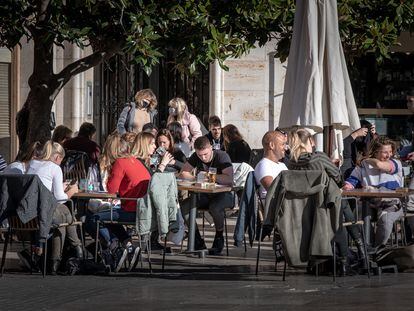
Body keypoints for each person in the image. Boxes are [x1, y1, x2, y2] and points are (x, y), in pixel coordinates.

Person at [288, 128, 365, 275]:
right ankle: (355, 254)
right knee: (340, 210)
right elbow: (337, 177)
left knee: (340, 205)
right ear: (310, 141)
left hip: (302, 209)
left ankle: (356, 251)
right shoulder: (318, 157)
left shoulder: (291, 163)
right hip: (324, 205)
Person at [86, 134, 151, 272]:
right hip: (143, 211)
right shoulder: (135, 160)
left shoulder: (120, 163)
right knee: (109, 218)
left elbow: (111, 190)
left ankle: (114, 247)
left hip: (132, 210)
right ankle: (129, 246)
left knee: (92, 219)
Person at [26, 141, 82, 274]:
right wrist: (72, 191)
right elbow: (60, 199)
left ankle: (59, 259)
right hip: (44, 214)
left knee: (62, 219)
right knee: (65, 214)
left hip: (28, 213)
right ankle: (75, 248)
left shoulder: (32, 164)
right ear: (58, 157)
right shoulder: (54, 168)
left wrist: (59, 188)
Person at [343, 136, 403, 250]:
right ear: (375, 152)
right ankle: (367, 248)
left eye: (390, 151)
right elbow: (352, 181)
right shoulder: (363, 166)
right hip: (369, 203)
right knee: (357, 217)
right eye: (385, 152)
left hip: (391, 204)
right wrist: (347, 186)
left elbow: (380, 166)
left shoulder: (395, 163)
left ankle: (377, 250)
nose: (389, 155)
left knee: (385, 221)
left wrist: (366, 159)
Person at [179, 136, 234, 254]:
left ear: (211, 148)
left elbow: (229, 179)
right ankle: (197, 241)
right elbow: (183, 173)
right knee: (184, 206)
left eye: (206, 154)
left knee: (215, 207)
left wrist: (209, 177)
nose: (203, 158)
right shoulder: (196, 157)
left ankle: (219, 235)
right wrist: (196, 177)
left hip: (224, 195)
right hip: (204, 195)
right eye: (200, 155)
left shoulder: (221, 156)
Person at [254, 130, 288, 199]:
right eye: (282, 144)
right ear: (272, 145)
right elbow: (272, 189)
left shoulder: (282, 165)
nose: (285, 148)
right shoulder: (264, 165)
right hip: (275, 207)